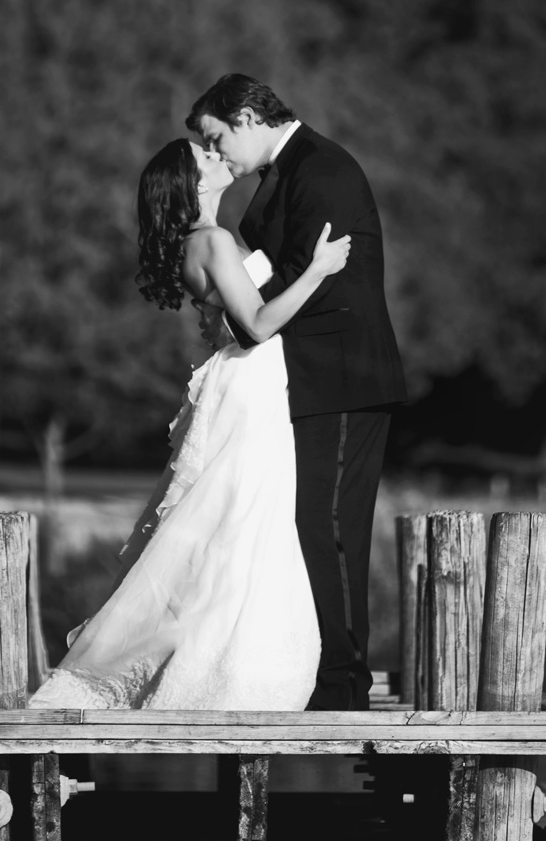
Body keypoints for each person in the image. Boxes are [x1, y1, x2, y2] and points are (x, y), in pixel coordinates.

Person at [28, 137, 350, 710]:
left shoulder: (201, 240)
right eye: (204, 156)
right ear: (192, 182)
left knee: (235, 523)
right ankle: (228, 672)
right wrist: (317, 272)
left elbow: (230, 317)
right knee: (242, 520)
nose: (216, 155)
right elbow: (255, 323)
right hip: (249, 381)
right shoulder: (215, 241)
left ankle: (225, 666)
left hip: (242, 380)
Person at [187, 74, 407, 711]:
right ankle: (322, 671)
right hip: (304, 374)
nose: (218, 151)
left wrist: (231, 315)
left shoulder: (323, 170)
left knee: (330, 526)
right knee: (306, 523)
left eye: (217, 135)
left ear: (250, 115)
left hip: (341, 375)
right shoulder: (281, 176)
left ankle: (341, 685)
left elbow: (307, 274)